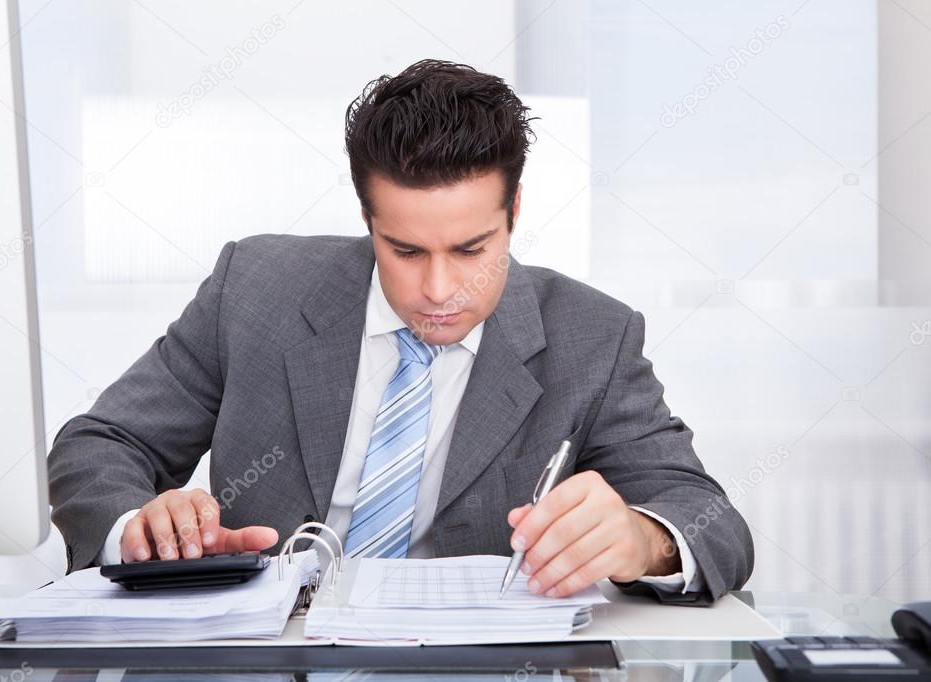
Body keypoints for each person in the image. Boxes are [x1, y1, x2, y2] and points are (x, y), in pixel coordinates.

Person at [48, 59, 752, 604]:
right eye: (405, 251)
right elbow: (101, 444)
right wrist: (136, 525)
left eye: (472, 249)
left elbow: (707, 518)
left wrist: (643, 539)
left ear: (515, 212)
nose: (439, 290)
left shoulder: (592, 336)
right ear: (367, 219)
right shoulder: (255, 288)